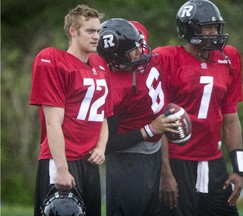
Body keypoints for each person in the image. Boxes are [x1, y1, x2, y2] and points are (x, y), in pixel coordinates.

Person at [153, 0, 243, 215]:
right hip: (178, 162)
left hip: (214, 163)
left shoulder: (228, 57)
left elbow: (231, 118)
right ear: (189, 29)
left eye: (216, 27)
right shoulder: (166, 58)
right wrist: (164, 172)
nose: (215, 33)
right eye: (208, 27)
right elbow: (160, 121)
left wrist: (239, 169)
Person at [30, 5, 113, 216]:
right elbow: (52, 123)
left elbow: (102, 115)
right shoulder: (54, 60)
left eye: (98, 31)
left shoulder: (100, 65)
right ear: (73, 31)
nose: (97, 37)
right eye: (90, 31)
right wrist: (61, 168)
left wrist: (101, 147)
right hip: (62, 158)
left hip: (88, 161)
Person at [97, 18, 181, 216]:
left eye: (138, 45)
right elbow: (107, 144)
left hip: (154, 151)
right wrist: (150, 129)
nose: (140, 52)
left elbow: (126, 30)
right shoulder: (114, 88)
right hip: (130, 159)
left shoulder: (133, 37)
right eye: (132, 51)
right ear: (116, 59)